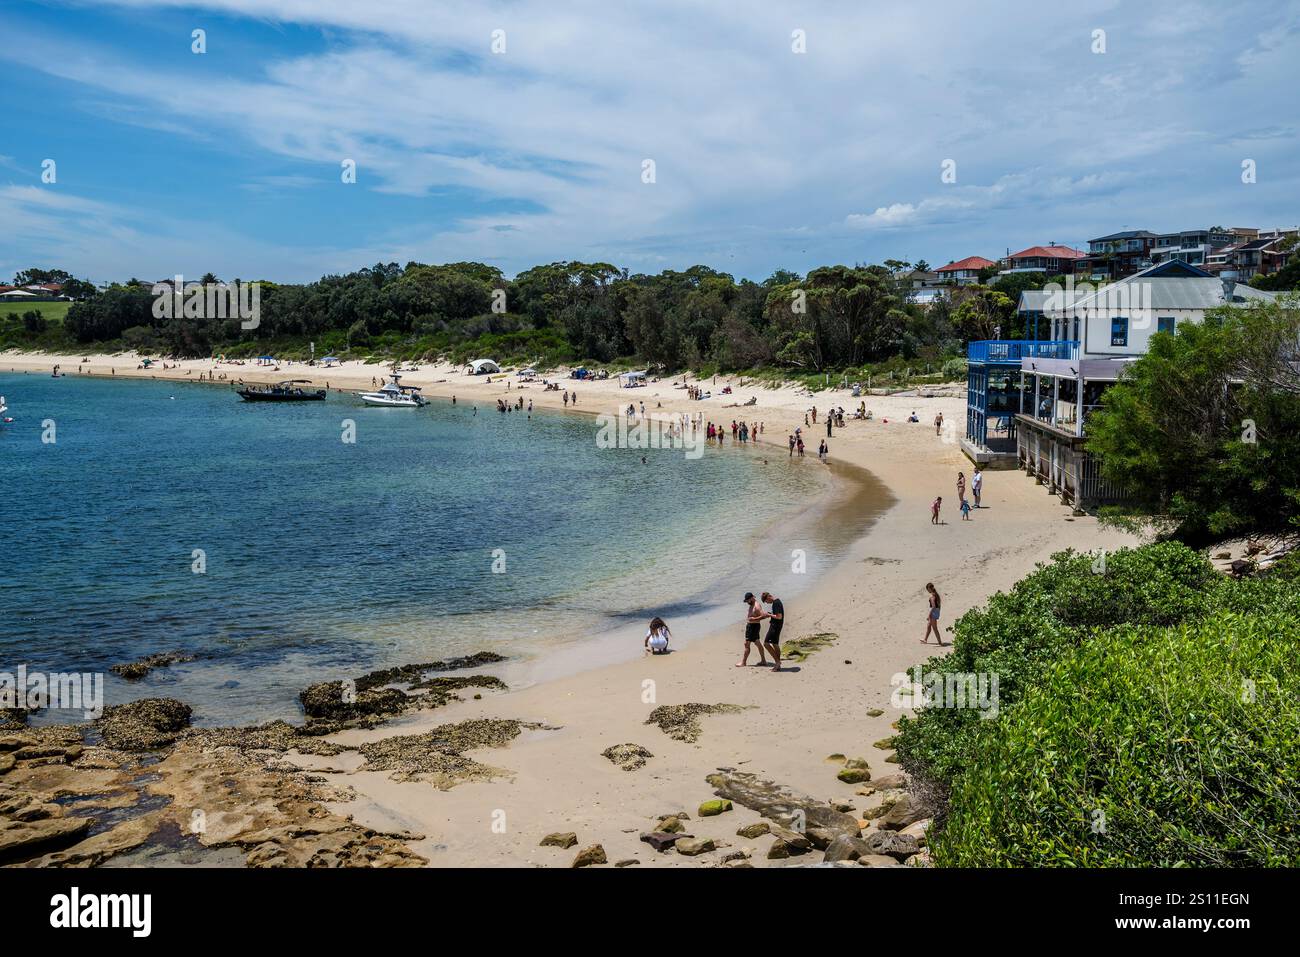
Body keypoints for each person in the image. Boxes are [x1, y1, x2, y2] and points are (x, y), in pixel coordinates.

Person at [736, 592, 770, 667]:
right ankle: (763, 660)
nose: (747, 602)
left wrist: (754, 619)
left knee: (747, 644)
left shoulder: (757, 606)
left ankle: (743, 662)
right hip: (752, 626)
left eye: (748, 600)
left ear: (752, 598)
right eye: (746, 601)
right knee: (757, 643)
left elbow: (764, 616)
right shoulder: (752, 604)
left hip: (753, 627)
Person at [760, 592, 784, 671]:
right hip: (778, 626)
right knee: (775, 644)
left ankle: (777, 662)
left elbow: (779, 617)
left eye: (766, 601)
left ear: (769, 597)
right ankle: (778, 665)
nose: (767, 603)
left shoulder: (776, 603)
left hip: (775, 626)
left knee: (766, 644)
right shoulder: (777, 601)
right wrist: (771, 614)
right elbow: (778, 615)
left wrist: (769, 615)